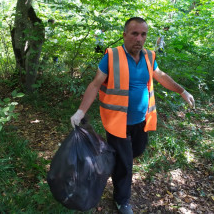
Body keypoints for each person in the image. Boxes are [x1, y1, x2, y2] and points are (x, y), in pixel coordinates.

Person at [70, 17, 194, 214]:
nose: (139, 38)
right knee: (126, 164)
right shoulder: (111, 56)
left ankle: (112, 160)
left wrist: (182, 91)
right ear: (125, 35)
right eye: (134, 33)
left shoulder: (149, 57)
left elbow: (160, 75)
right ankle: (122, 200)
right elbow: (94, 84)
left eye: (143, 34)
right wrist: (80, 111)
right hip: (117, 122)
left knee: (137, 150)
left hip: (141, 120)